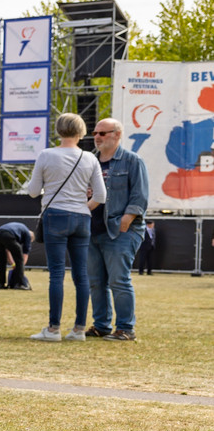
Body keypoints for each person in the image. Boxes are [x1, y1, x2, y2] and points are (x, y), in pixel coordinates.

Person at [23, 113, 106, 342]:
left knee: (57, 274)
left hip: (55, 216)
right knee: (81, 275)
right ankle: (79, 329)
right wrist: (82, 207)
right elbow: (101, 195)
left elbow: (32, 191)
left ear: (58, 130)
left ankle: (53, 329)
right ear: (81, 132)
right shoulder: (90, 158)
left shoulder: (46, 155)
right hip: (81, 217)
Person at [86, 118, 150, 342]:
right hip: (92, 229)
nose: (97, 136)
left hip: (120, 230)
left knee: (119, 280)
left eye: (103, 133)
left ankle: (125, 328)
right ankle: (101, 325)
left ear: (117, 135)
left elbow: (140, 196)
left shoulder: (132, 160)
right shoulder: (89, 161)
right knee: (95, 281)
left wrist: (125, 221)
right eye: (95, 132)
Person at [0, 222, 34, 290]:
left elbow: (7, 251)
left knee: (2, 261)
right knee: (20, 259)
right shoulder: (27, 234)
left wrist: (13, 264)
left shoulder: (19, 231)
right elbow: (25, 254)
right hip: (8, 234)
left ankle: (2, 284)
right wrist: (19, 266)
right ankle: (20, 284)